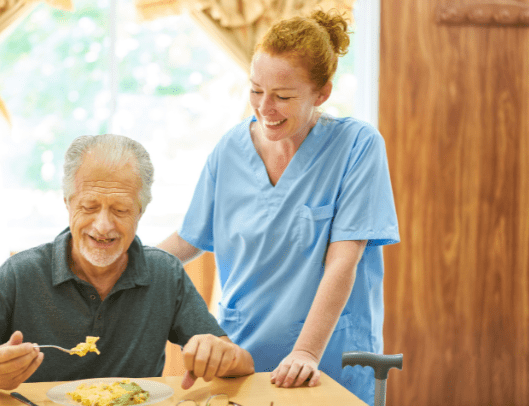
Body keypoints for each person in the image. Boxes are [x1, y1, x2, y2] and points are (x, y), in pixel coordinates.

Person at [157, 9, 399, 406]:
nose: (265, 107)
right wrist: (119, 266)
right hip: (242, 355)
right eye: (256, 90)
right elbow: (188, 239)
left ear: (322, 94)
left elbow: (344, 261)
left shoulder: (358, 146)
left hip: (327, 359)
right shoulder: (230, 150)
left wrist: (306, 352)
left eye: (283, 97)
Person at [0, 134, 254, 391]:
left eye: (120, 210)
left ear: (141, 212)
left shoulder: (164, 273)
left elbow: (243, 365)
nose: (103, 227)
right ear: (68, 202)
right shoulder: (24, 273)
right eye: (89, 207)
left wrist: (222, 354)